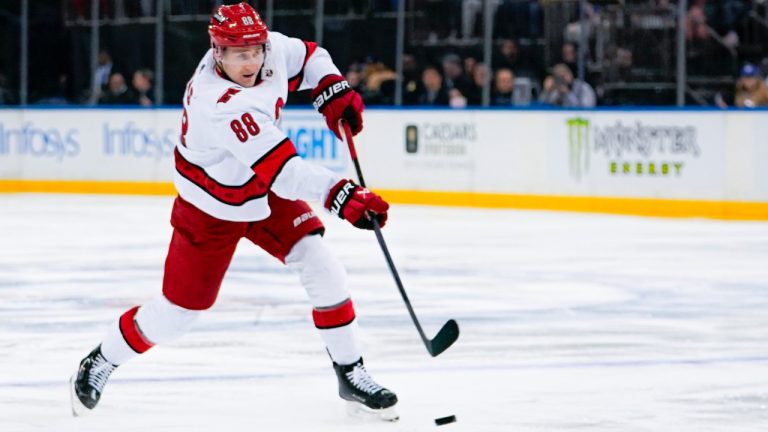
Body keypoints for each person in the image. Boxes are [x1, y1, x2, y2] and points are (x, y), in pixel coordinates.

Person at [70, 2, 398, 422]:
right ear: (217, 52)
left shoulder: (270, 51)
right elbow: (285, 174)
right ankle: (102, 358)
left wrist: (332, 88)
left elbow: (312, 56)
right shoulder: (220, 103)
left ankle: (350, 372)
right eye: (239, 54)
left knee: (322, 266)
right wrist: (342, 194)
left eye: (256, 51)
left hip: (259, 184)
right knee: (177, 314)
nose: (252, 61)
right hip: (212, 205)